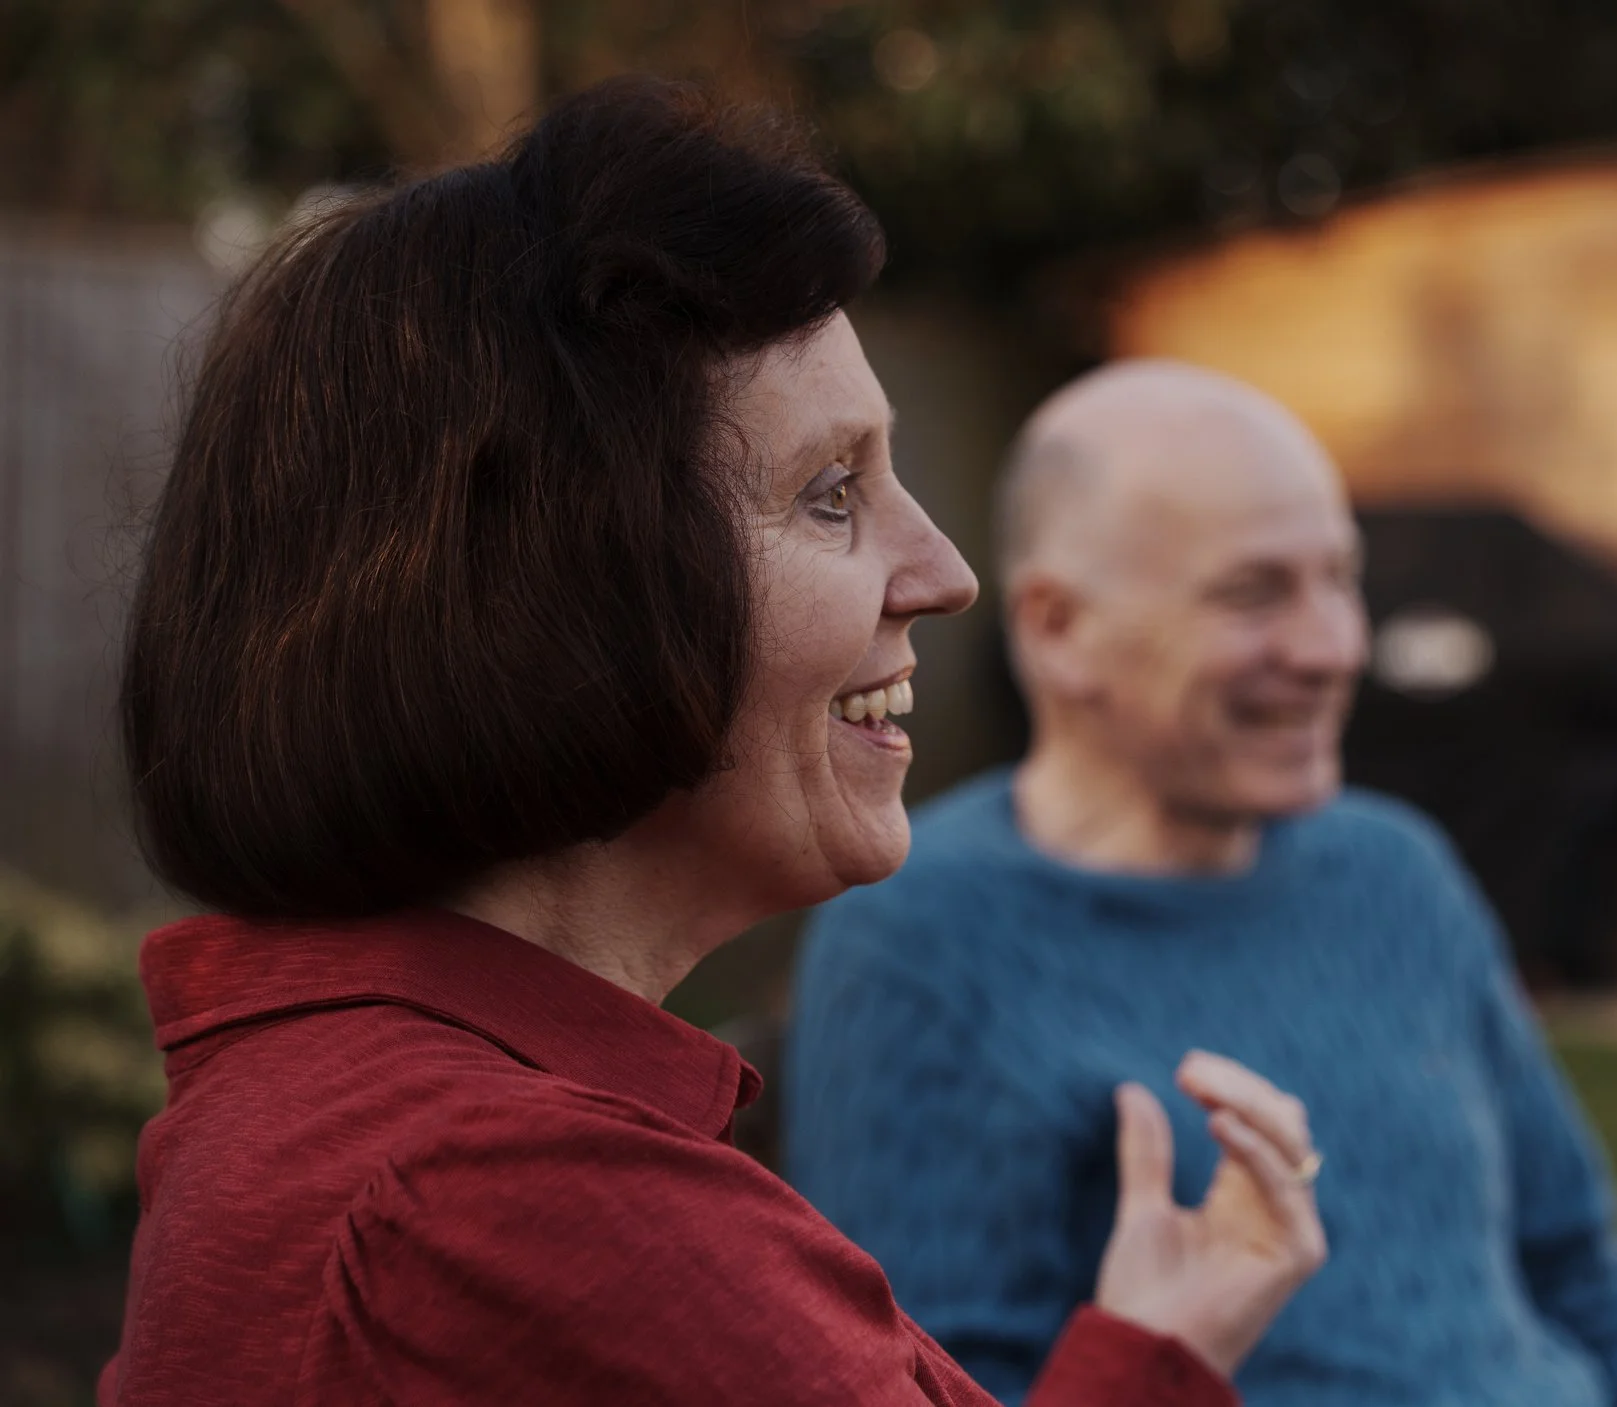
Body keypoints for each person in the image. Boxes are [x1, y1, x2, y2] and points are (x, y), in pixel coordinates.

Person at [103, 80, 1328, 1406]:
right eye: (830, 493)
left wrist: (1149, 1357)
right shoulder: (507, 1205)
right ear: (566, 591)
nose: (944, 569)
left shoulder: (397, 1129)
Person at [782, 361, 1617, 1406]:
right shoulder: (925, 936)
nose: (1332, 647)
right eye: (1253, 594)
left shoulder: (1397, 871)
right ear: (1058, 630)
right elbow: (927, 1388)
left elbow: (1578, 1271)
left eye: (1340, 580)